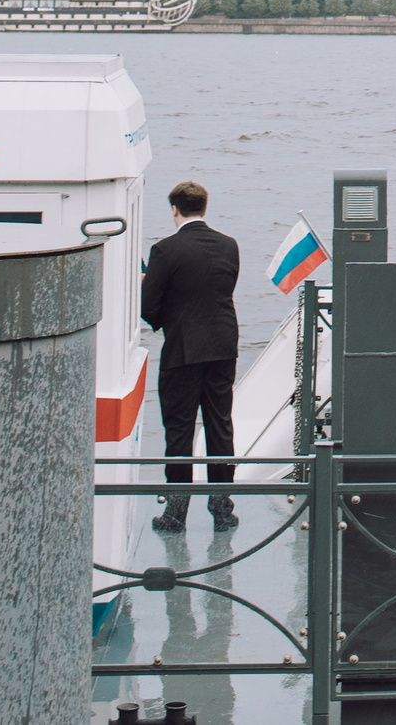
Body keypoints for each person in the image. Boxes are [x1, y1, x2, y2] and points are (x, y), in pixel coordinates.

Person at [140, 178, 241, 533]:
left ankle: (176, 513)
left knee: (180, 428)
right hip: (223, 345)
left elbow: (148, 306)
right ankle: (222, 508)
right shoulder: (229, 245)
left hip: (183, 348)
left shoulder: (164, 251)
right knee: (220, 424)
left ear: (174, 210)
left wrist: (165, 316)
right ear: (204, 207)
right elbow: (220, 289)